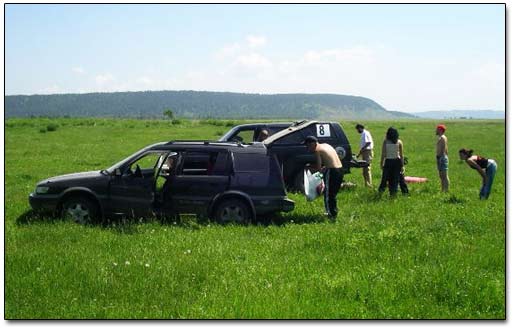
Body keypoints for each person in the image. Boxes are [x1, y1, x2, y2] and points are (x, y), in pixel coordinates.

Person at [303, 136, 343, 219]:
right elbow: (329, 160)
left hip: (331, 171)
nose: (307, 148)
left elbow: (318, 168)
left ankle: (330, 214)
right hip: (340, 169)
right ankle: (333, 211)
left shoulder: (317, 150)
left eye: (308, 146)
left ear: (313, 143)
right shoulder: (326, 145)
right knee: (333, 193)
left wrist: (309, 167)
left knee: (328, 194)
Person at [378, 127, 405, 196]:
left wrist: (381, 163)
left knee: (385, 178)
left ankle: (380, 192)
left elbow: (383, 154)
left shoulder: (386, 141)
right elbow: (401, 155)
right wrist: (402, 165)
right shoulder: (399, 142)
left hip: (388, 161)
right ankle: (394, 193)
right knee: (395, 179)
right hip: (397, 162)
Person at [355, 124, 374, 188]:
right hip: (365, 152)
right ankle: (366, 184)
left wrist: (362, 149)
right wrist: (359, 154)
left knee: (367, 169)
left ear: (360, 128)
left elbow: (368, 142)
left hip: (367, 152)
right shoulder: (364, 133)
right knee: (364, 170)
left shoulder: (365, 133)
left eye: (358, 129)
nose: (357, 131)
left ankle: (369, 185)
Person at [436, 124, 450, 192]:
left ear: (440, 130)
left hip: (442, 158)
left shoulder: (443, 138)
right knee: (441, 176)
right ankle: (442, 190)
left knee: (444, 175)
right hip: (440, 157)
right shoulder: (441, 137)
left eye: (437, 129)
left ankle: (446, 190)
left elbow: (444, 149)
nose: (436, 130)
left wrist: (441, 158)